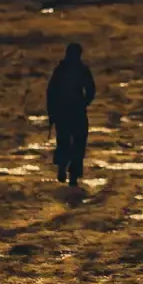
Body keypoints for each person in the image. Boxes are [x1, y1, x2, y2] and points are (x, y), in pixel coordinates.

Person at [46, 42, 97, 185]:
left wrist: (52, 112)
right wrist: (83, 103)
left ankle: (68, 171)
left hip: (68, 111)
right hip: (72, 112)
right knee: (73, 143)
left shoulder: (63, 69)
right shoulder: (76, 69)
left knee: (69, 142)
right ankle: (68, 172)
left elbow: (51, 92)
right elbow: (91, 91)